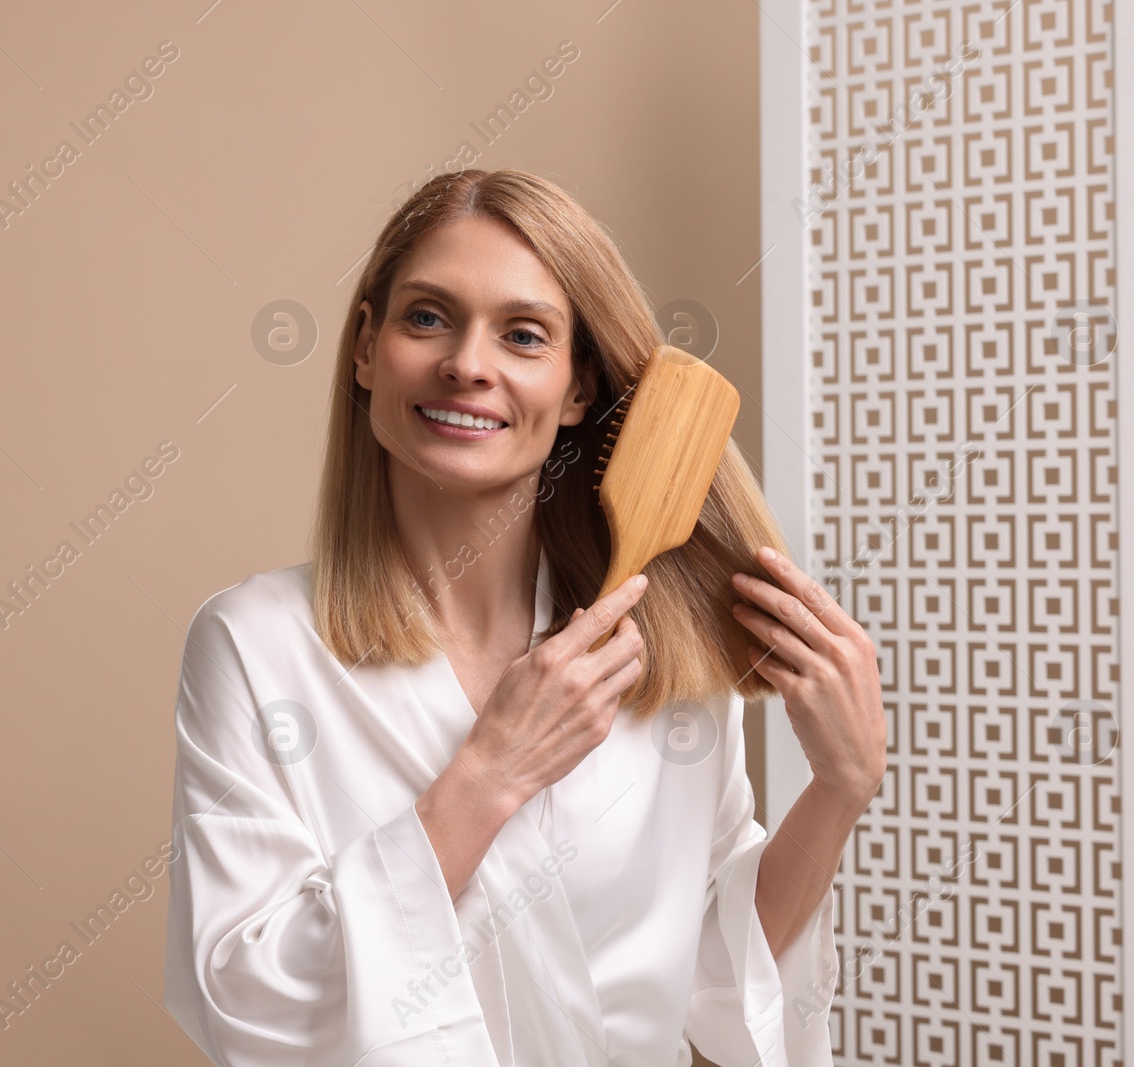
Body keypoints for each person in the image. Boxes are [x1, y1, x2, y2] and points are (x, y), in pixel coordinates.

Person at [163, 168, 886, 1066]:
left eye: (523, 334)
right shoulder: (255, 645)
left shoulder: (659, 650)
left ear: (579, 388)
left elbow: (717, 977)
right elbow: (249, 1002)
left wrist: (839, 791)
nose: (468, 363)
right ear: (363, 348)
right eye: (427, 316)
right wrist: (488, 777)